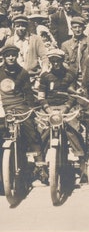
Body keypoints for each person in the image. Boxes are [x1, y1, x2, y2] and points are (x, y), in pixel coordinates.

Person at [0, 43, 48, 182]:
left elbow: (27, 93)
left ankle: (41, 167)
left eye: (13, 55)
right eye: (8, 55)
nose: (10, 58)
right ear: (3, 57)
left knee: (32, 132)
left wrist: (31, 109)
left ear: (17, 56)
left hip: (20, 105)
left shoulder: (23, 72)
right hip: (4, 106)